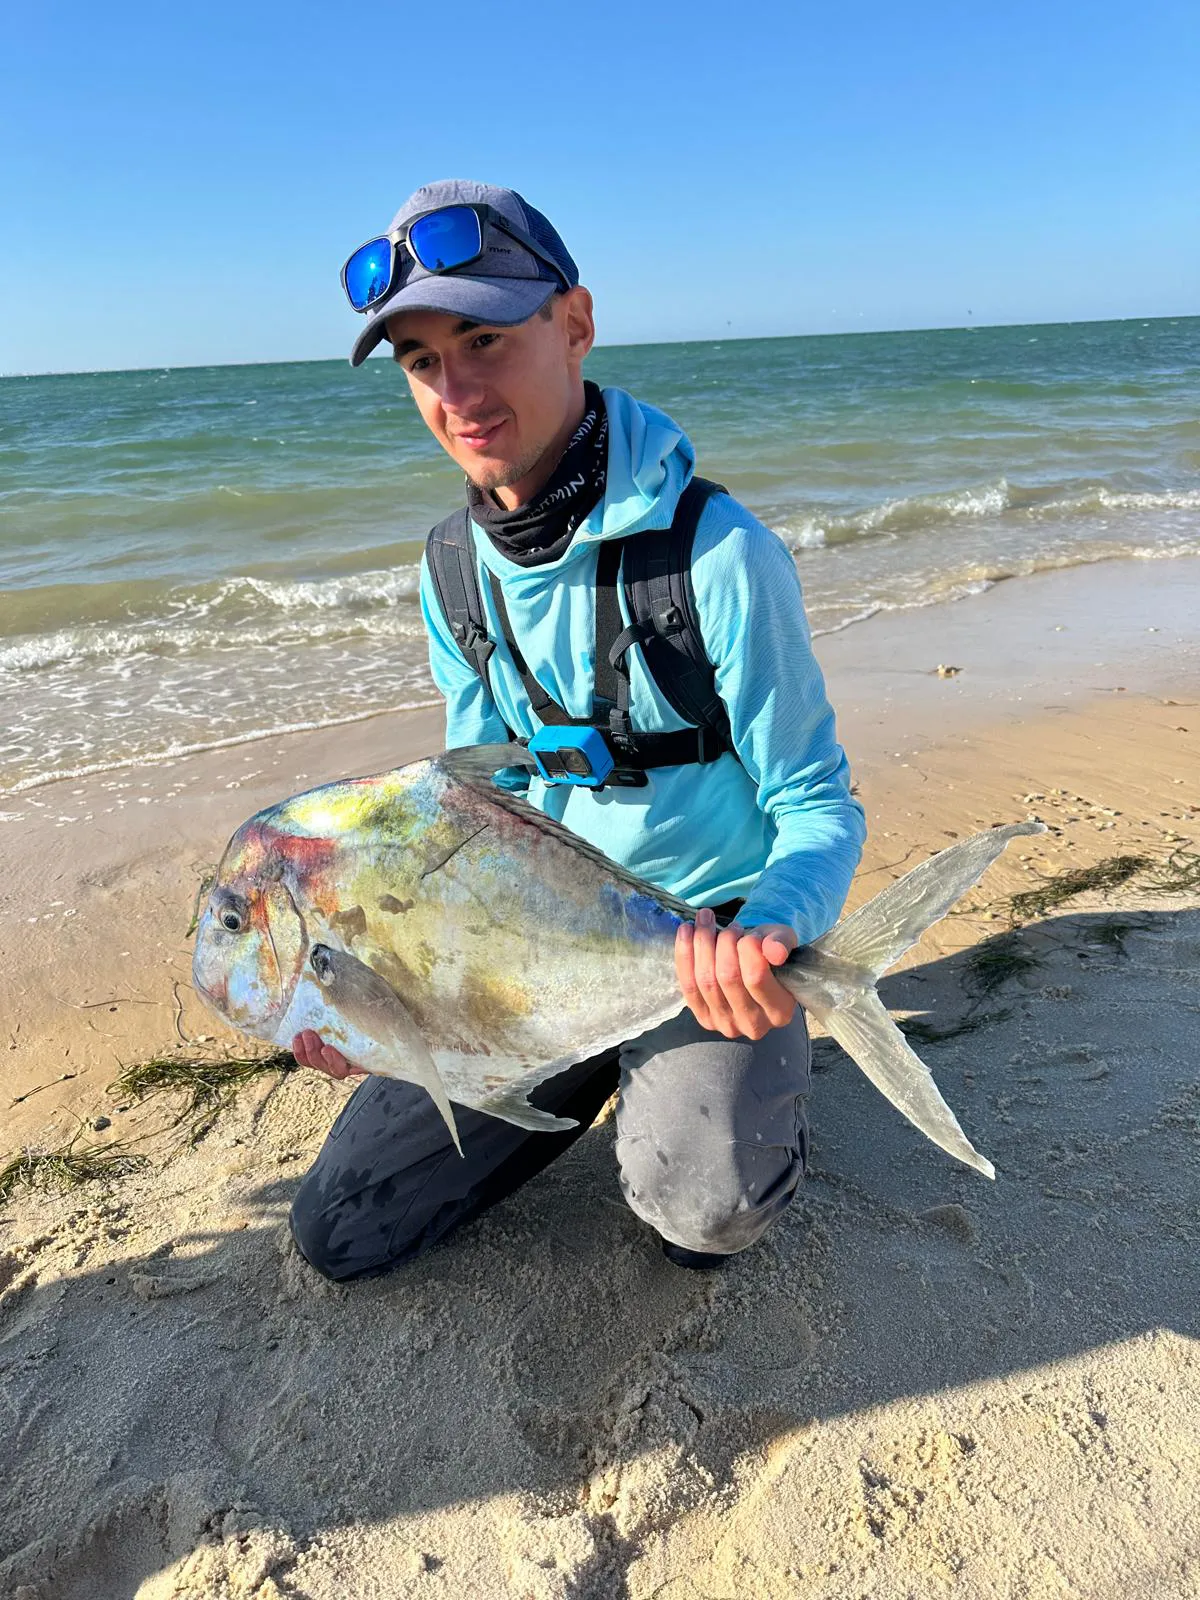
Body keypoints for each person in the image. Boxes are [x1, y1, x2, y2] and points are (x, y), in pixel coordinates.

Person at [288, 179, 866, 1281]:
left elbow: (818, 802)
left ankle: (730, 1075)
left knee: (703, 1205)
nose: (456, 390)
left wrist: (768, 934)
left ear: (576, 324)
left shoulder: (720, 557)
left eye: (486, 339)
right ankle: (593, 1072)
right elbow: (470, 821)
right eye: (420, 362)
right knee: (340, 1232)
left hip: (705, 950)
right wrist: (377, 988)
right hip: (524, 960)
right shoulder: (449, 569)